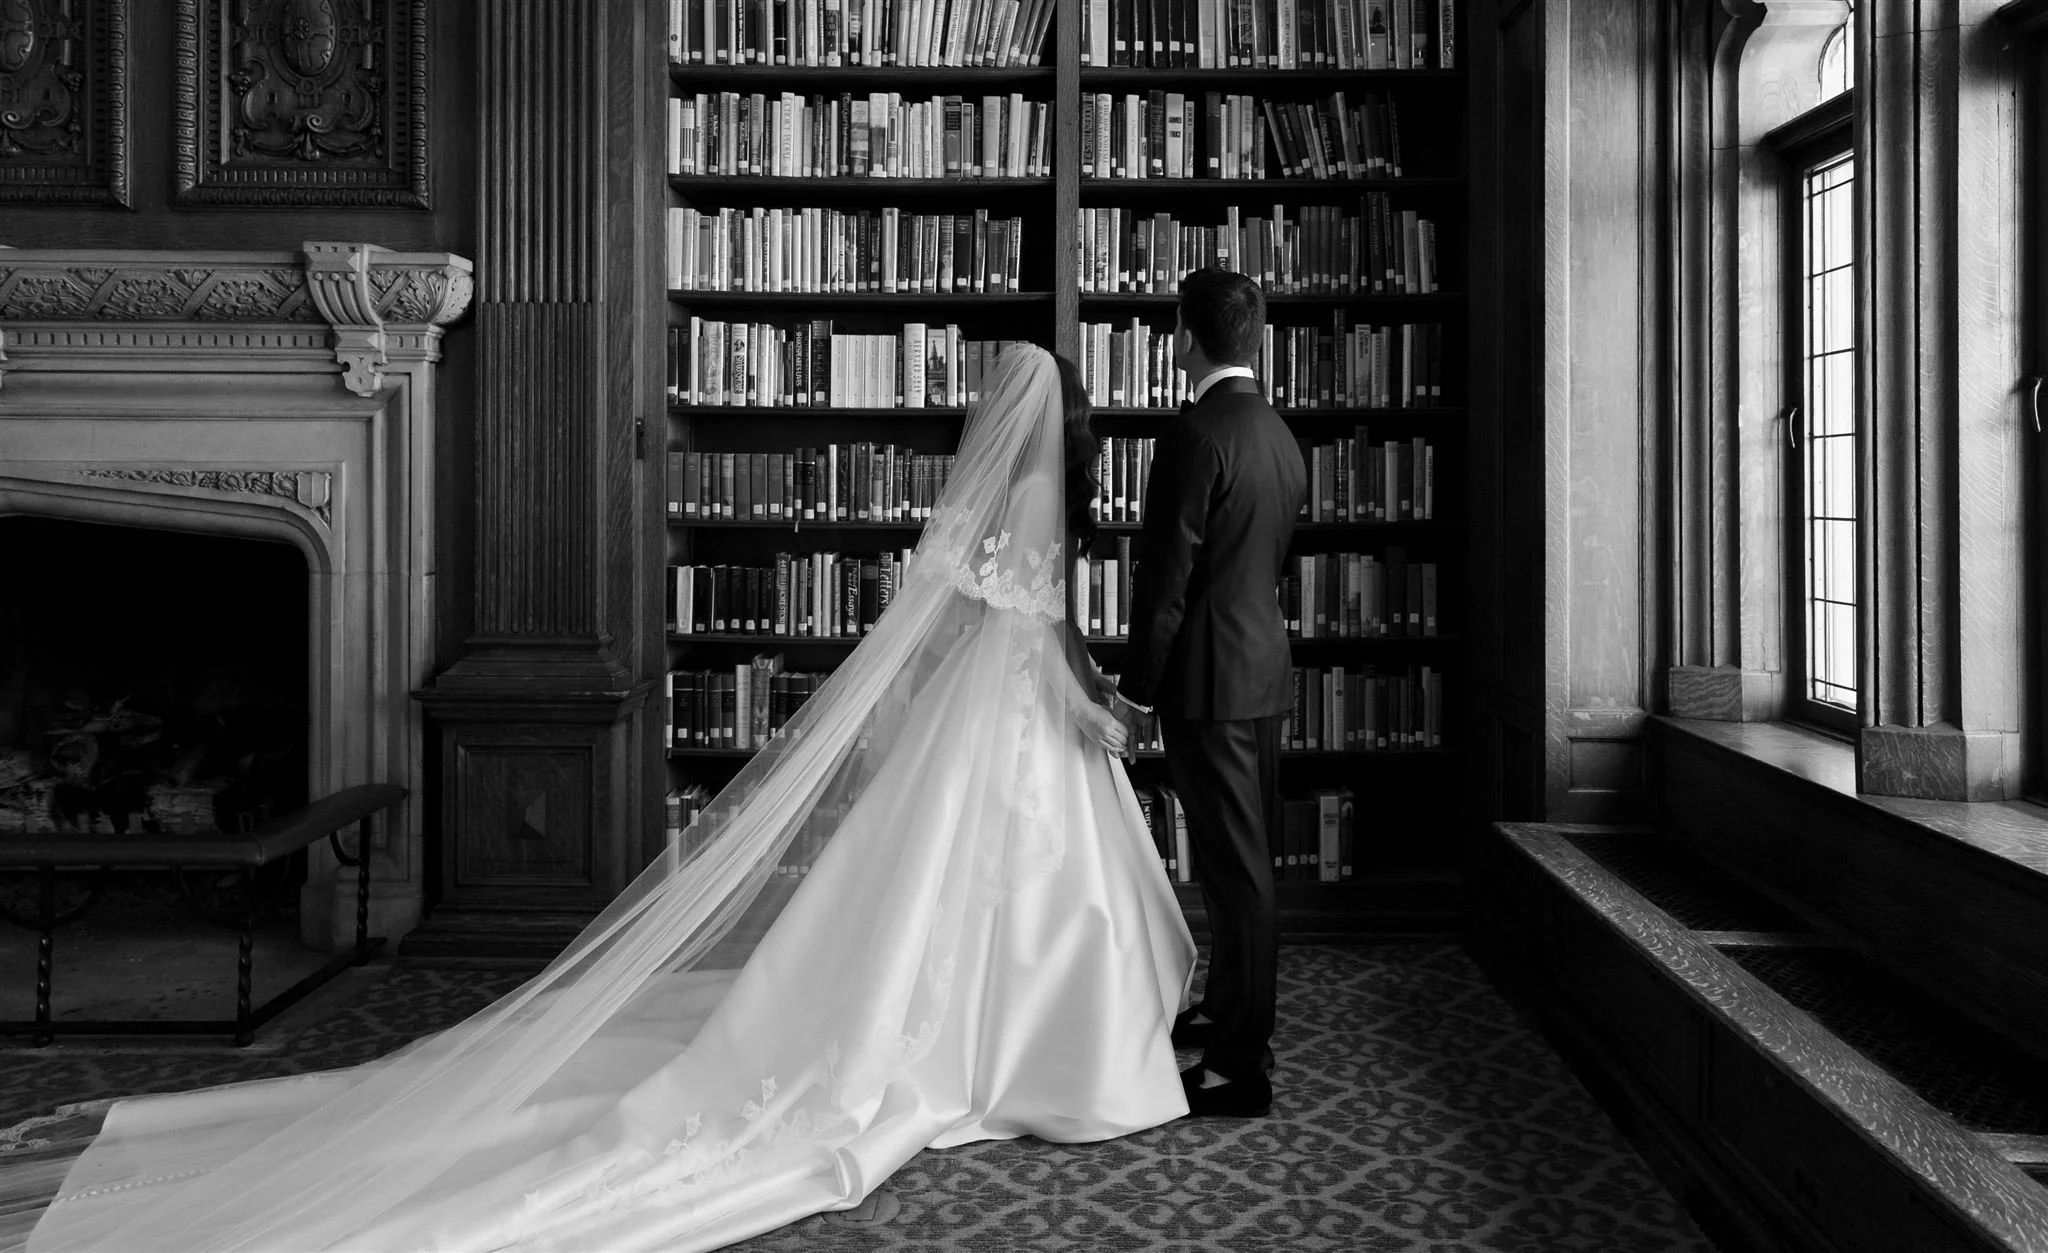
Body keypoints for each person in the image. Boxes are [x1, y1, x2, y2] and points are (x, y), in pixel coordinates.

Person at [0, 344, 1198, 1253]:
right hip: (1008, 729)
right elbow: (1036, 632)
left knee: (942, 907)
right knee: (1020, 905)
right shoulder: (1047, 495)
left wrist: (1052, 695)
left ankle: (977, 1046)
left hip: (983, 728)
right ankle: (1029, 1060)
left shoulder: (997, 496)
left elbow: (977, 627)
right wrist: (1091, 708)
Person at [1110, 269, 1307, 1119]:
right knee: (1242, 868)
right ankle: (1231, 1015)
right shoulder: (1279, 436)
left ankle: (1239, 1066)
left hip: (1210, 686)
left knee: (1237, 875)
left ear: (1185, 338)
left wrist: (1135, 692)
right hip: (1261, 675)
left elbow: (1166, 579)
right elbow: (1273, 564)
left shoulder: (1196, 434)